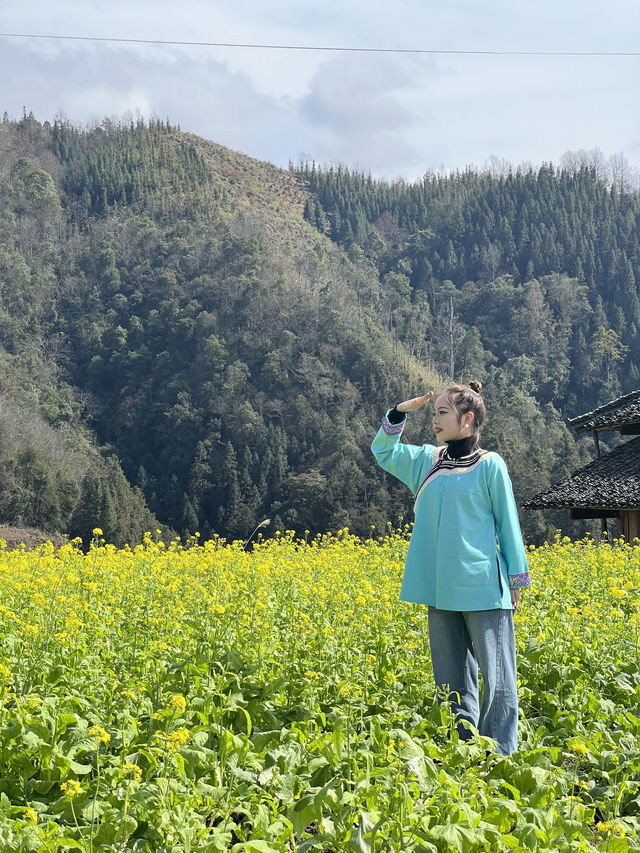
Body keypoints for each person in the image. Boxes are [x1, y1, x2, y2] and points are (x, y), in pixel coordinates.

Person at [371, 381, 530, 755]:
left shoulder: (490, 465)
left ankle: (500, 753)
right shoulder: (428, 461)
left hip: (482, 586)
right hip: (438, 587)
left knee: (498, 677)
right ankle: (463, 751)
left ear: (468, 418)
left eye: (442, 413)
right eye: (434, 413)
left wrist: (516, 580)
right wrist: (398, 412)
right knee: (450, 679)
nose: (435, 421)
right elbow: (383, 450)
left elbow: (509, 524)